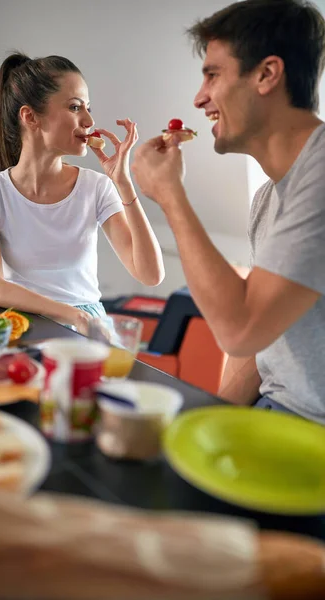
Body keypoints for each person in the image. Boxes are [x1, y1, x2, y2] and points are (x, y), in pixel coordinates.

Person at [131, 0, 325, 424]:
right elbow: (266, 344)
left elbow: (240, 330)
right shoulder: (266, 200)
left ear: (266, 75)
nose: (200, 98)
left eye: (212, 75)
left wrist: (169, 194)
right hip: (273, 411)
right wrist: (210, 416)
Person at [0, 53, 164, 335]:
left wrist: (123, 183)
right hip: (21, 324)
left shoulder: (96, 187)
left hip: (87, 326)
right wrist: (73, 316)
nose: (88, 120)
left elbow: (150, 275)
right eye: (74, 107)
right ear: (30, 116)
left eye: (88, 108)